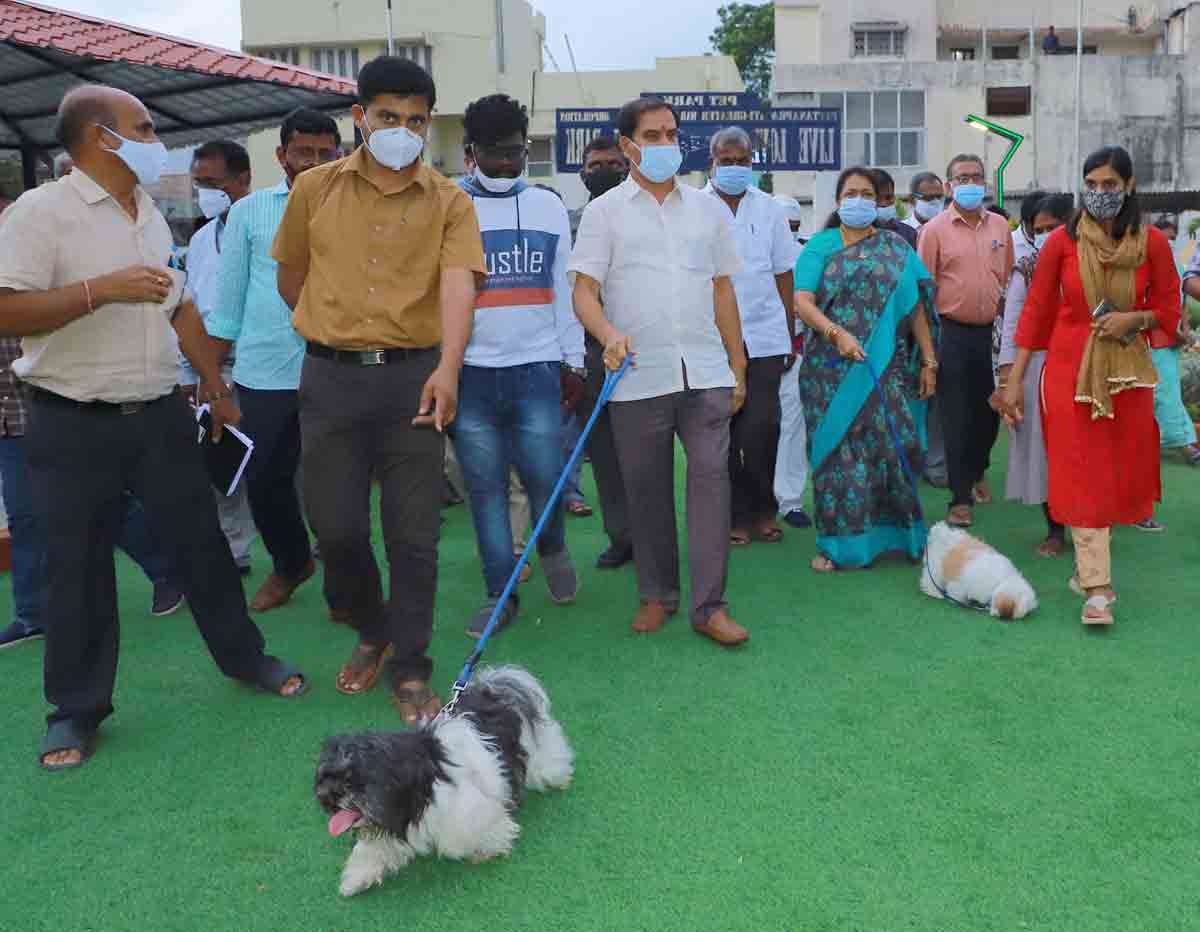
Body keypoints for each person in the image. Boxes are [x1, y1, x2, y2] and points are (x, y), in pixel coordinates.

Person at [0, 85, 306, 771]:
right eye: (141, 128)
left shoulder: (147, 213)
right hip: (72, 417)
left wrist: (217, 389)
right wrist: (99, 290)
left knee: (204, 546)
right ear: (98, 137)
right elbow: (6, 309)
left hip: (160, 412)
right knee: (77, 568)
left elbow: (181, 307)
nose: (155, 140)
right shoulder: (40, 212)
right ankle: (76, 709)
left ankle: (245, 658)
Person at [272, 57, 485, 723]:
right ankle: (373, 626)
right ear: (359, 117)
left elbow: (459, 285)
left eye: (416, 120)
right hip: (329, 380)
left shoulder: (450, 201)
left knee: (414, 535)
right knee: (335, 529)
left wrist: (448, 368)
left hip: (413, 380)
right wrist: (332, 333)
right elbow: (291, 278)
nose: (402, 130)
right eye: (388, 116)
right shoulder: (314, 189)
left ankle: (411, 665)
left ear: (429, 123)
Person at [570, 96, 749, 647]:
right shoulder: (603, 213)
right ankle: (657, 594)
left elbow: (723, 289)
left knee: (711, 484)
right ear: (628, 146)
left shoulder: (707, 210)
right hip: (637, 375)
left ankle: (710, 606)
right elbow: (584, 292)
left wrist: (738, 363)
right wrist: (608, 334)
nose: (666, 144)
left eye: (672, 134)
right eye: (653, 136)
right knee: (645, 489)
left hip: (706, 371)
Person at [1001, 145, 1180, 626]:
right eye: (1092, 184)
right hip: (1067, 374)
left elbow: (1168, 310)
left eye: (1110, 184)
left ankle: (1088, 569)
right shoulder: (1062, 242)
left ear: (1129, 186)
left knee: (1114, 474)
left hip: (1127, 374)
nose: (1100, 193)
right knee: (1081, 473)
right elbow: (1035, 315)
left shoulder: (1153, 243)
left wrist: (1133, 319)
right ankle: (1098, 588)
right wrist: (1013, 381)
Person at [452, 93, 583, 637]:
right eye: (494, 152)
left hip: (538, 369)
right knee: (485, 489)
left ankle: (551, 546)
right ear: (470, 152)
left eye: (515, 152)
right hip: (470, 373)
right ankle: (499, 594)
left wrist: (573, 361)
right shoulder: (450, 207)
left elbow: (563, 289)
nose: (506, 163)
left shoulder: (549, 207)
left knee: (544, 477)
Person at [207, 110, 342, 615]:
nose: (313, 162)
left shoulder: (354, 208)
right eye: (303, 152)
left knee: (335, 485)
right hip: (263, 371)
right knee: (263, 479)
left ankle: (346, 583)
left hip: (337, 368)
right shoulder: (248, 212)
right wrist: (210, 376)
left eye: (324, 153)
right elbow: (228, 301)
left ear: (339, 156)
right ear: (281, 155)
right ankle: (291, 563)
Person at [793, 167, 938, 572]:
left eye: (867, 194)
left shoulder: (895, 248)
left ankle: (899, 537)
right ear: (838, 201)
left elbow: (916, 308)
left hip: (885, 368)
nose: (859, 200)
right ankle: (838, 547)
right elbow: (802, 301)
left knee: (891, 449)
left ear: (878, 201)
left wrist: (929, 360)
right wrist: (835, 333)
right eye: (851, 193)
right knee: (838, 457)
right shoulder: (820, 246)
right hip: (830, 371)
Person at [705, 126, 796, 546]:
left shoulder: (770, 209)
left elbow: (783, 273)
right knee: (723, 432)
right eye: (727, 161)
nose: (735, 168)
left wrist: (790, 333)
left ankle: (764, 510)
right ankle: (734, 515)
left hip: (765, 335)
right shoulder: (695, 207)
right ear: (712, 163)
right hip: (712, 338)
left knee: (763, 428)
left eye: (742, 161)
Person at [917, 153, 1013, 528]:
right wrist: (928, 350)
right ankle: (959, 498)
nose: (970, 183)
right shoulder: (934, 230)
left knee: (989, 413)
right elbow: (924, 289)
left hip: (992, 334)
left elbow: (1007, 279)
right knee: (955, 416)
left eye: (976, 177)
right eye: (962, 178)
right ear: (949, 186)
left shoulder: (1000, 226)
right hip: (952, 332)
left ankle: (977, 469)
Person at [185, 139, 257, 577]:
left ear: (243, 178)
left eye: (213, 183)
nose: (205, 193)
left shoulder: (267, 226)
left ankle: (314, 539)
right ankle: (235, 548)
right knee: (222, 457)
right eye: (199, 184)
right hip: (212, 367)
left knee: (286, 461)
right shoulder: (199, 240)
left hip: (263, 364)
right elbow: (190, 307)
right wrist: (193, 373)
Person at [996, 193, 1074, 556]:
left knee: (1082, 449)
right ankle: (1055, 528)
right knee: (1042, 449)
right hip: (1036, 366)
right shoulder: (1025, 269)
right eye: (1037, 229)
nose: (1045, 235)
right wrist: (1007, 381)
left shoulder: (1091, 264)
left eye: (1052, 227)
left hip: (1083, 364)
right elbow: (1012, 325)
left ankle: (1091, 520)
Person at [574, 134, 635, 568]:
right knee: (606, 455)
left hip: (643, 349)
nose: (604, 172)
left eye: (613, 164)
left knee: (648, 455)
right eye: (595, 166)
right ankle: (622, 537)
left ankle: (654, 539)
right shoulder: (572, 223)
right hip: (592, 354)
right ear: (582, 174)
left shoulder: (644, 217)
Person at [1145, 218, 1199, 472]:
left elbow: (1183, 300)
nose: (1168, 242)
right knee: (1163, 391)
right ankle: (1185, 444)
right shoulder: (1146, 265)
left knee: (1167, 390)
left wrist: (1184, 330)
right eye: (1164, 238)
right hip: (1154, 336)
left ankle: (1182, 442)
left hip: (1171, 339)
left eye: (1172, 239)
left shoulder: (1178, 263)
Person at [771, 193, 811, 528]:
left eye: (794, 226)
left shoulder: (807, 255)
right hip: (749, 352)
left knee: (793, 427)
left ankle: (790, 500)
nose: (789, 232)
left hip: (795, 351)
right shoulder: (747, 253)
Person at [871, 168, 916, 248]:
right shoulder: (855, 234)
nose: (884, 203)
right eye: (877, 199)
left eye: (888, 197)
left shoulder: (909, 233)